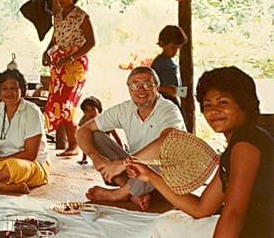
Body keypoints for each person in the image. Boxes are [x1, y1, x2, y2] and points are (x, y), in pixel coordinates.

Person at [125, 66, 273, 237]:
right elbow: (201, 208)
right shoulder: (236, 146)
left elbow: (234, 215)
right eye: (208, 105)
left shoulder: (246, 143)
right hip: (252, 227)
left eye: (222, 102)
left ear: (244, 104)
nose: (214, 110)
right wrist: (150, 175)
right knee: (165, 222)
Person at [75, 66, 186, 210]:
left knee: (161, 152)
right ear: (129, 88)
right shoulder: (124, 109)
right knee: (96, 136)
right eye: (135, 85)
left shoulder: (168, 109)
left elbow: (167, 142)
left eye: (147, 84)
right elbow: (82, 131)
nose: (141, 89)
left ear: (157, 87)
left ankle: (120, 194)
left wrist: (122, 164)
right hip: (137, 171)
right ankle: (134, 192)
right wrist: (95, 156)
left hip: (168, 178)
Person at [42, 0, 96, 157]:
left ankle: (74, 145)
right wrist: (46, 52)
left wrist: (70, 57)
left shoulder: (82, 16)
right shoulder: (58, 17)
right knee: (58, 102)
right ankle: (71, 145)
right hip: (60, 63)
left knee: (67, 103)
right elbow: (54, 41)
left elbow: (91, 42)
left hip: (76, 64)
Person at [151, 25, 188, 126]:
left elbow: (178, 91)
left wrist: (182, 92)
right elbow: (149, 86)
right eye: (172, 47)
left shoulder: (171, 63)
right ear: (162, 44)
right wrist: (165, 89)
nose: (175, 51)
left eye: (178, 48)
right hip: (162, 105)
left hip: (173, 101)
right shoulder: (158, 63)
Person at [76, 96, 124, 165]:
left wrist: (121, 152)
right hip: (96, 151)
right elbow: (85, 141)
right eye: (87, 111)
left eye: (93, 110)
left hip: (108, 146)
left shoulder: (105, 120)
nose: (90, 113)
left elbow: (116, 138)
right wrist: (84, 159)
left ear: (98, 110)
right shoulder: (84, 121)